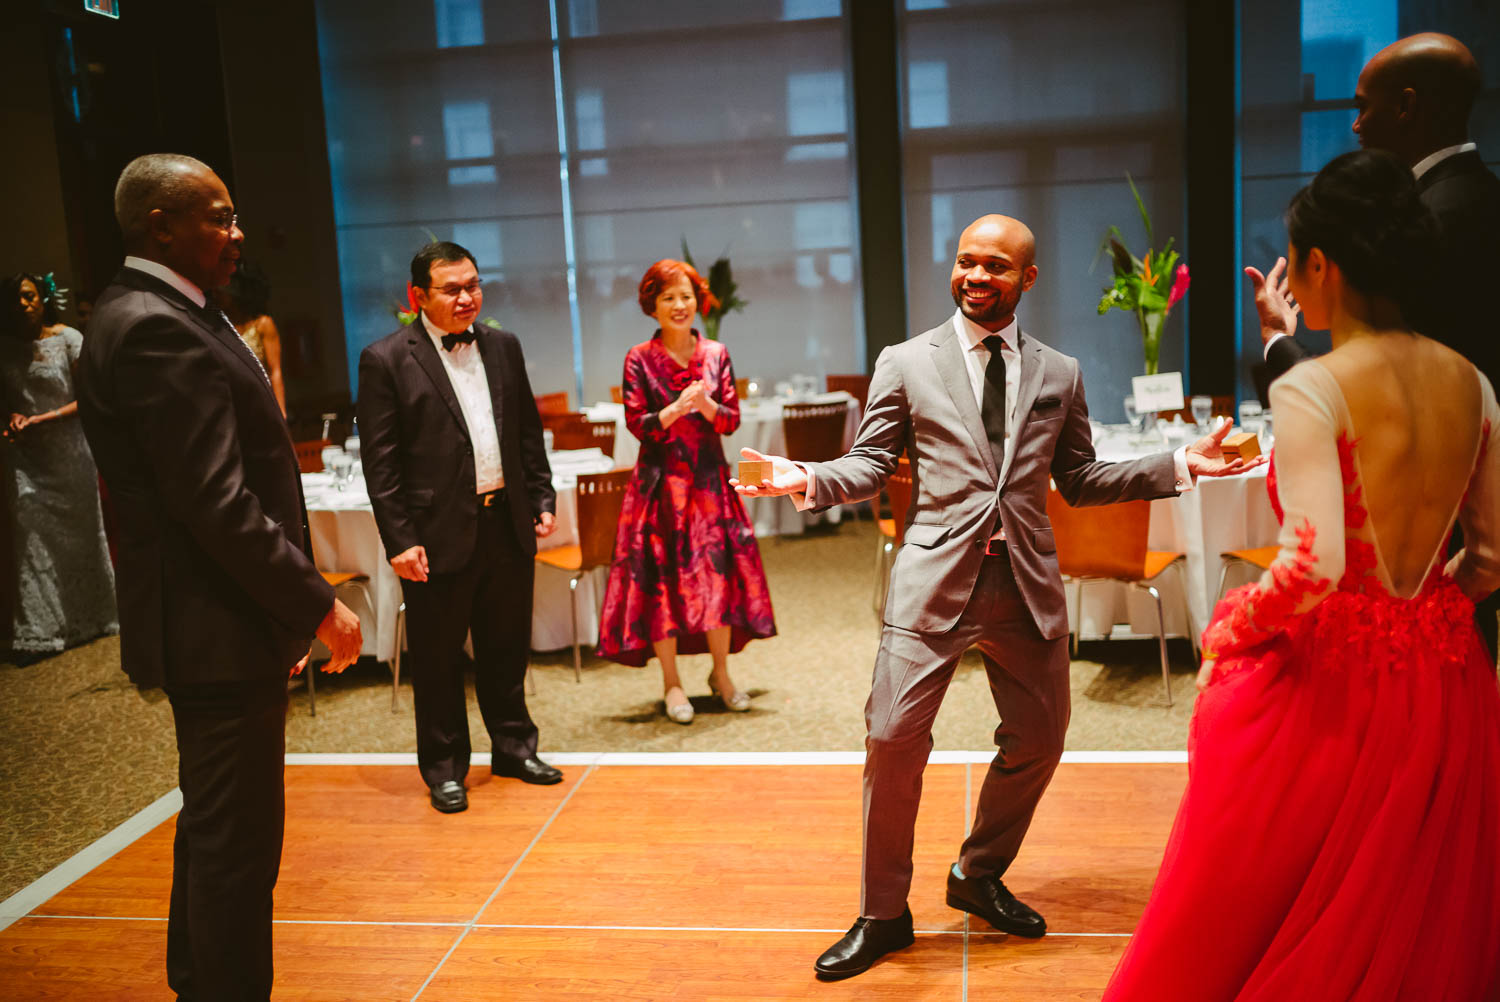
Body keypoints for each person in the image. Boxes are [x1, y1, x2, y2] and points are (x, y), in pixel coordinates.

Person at [735, 214, 1255, 980]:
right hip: (931, 583)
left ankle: (978, 873)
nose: (977, 277)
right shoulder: (906, 362)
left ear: (1027, 279)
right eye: (966, 263)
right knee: (891, 739)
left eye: (996, 267)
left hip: (1025, 584)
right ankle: (883, 914)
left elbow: (1080, 477)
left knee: (1041, 739)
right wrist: (810, 479)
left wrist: (1177, 463)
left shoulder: (1060, 372)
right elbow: (873, 459)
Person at [1104, 149, 1500, 1001]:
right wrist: (1429, 615)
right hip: (1447, 674)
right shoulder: (1474, 383)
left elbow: (1312, 562)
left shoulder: (1315, 387)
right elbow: (1494, 555)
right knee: (1409, 899)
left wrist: (1229, 627)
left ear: (1321, 263)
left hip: (1335, 678)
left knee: (1258, 897)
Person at [76, 153, 362, 1001]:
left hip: (216, 624)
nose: (238, 234)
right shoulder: (156, 324)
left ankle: (201, 984)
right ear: (160, 226)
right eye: (218, 216)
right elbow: (217, 504)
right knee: (236, 850)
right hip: (216, 628)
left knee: (215, 835)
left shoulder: (160, 310)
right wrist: (320, 604)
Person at [1251, 31, 1500, 661]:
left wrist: (1282, 344)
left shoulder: (1428, 227)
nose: (1356, 124)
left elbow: (1386, 394)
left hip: (1394, 582)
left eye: (1365, 107)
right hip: (1453, 586)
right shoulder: (1482, 202)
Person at [357, 240, 562, 813]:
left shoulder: (503, 346)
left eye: (473, 284)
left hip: (506, 522)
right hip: (433, 532)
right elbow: (382, 463)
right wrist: (400, 539)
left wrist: (540, 495)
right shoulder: (386, 359)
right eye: (453, 288)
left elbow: (526, 431)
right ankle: (445, 768)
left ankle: (514, 747)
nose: (467, 297)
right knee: (438, 657)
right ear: (417, 295)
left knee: (505, 648)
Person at [594, 259, 775, 723]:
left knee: (716, 580)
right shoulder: (638, 357)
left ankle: (721, 674)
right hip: (659, 490)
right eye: (668, 297)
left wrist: (707, 404)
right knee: (663, 586)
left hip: (710, 485)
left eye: (686, 297)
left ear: (699, 302)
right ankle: (672, 684)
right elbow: (639, 425)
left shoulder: (716, 353)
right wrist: (675, 408)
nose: (679, 305)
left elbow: (732, 421)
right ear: (652, 305)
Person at [0, 272, 117, 658]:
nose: (24, 304)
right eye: (16, 298)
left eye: (30, 296)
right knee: (31, 537)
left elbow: (89, 397)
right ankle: (42, 630)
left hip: (71, 454)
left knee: (83, 535)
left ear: (43, 298)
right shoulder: (4, 349)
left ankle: (94, 618)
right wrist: (13, 419)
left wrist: (42, 419)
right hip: (26, 460)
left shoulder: (69, 339)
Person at [215, 259, 287, 415]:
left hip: (260, 399)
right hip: (231, 402)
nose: (218, 294)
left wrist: (281, 411)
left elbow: (275, 370)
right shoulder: (219, 325)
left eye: (223, 290)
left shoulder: (262, 324)